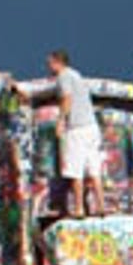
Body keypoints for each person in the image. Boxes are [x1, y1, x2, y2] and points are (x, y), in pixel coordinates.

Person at [47, 49, 103, 219]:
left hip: (77, 128)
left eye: (50, 63)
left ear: (58, 62)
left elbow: (67, 98)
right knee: (94, 169)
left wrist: (61, 121)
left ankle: (79, 208)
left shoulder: (64, 76)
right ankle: (101, 206)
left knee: (75, 169)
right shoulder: (77, 76)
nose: (48, 66)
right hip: (91, 127)